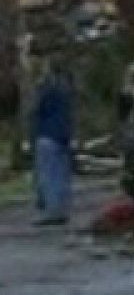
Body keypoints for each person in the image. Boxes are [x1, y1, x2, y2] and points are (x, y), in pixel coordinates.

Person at [29, 57, 74, 226]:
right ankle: (61, 209)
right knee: (61, 174)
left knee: (48, 174)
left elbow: (36, 110)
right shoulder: (66, 89)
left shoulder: (47, 89)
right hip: (62, 135)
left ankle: (51, 211)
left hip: (46, 134)